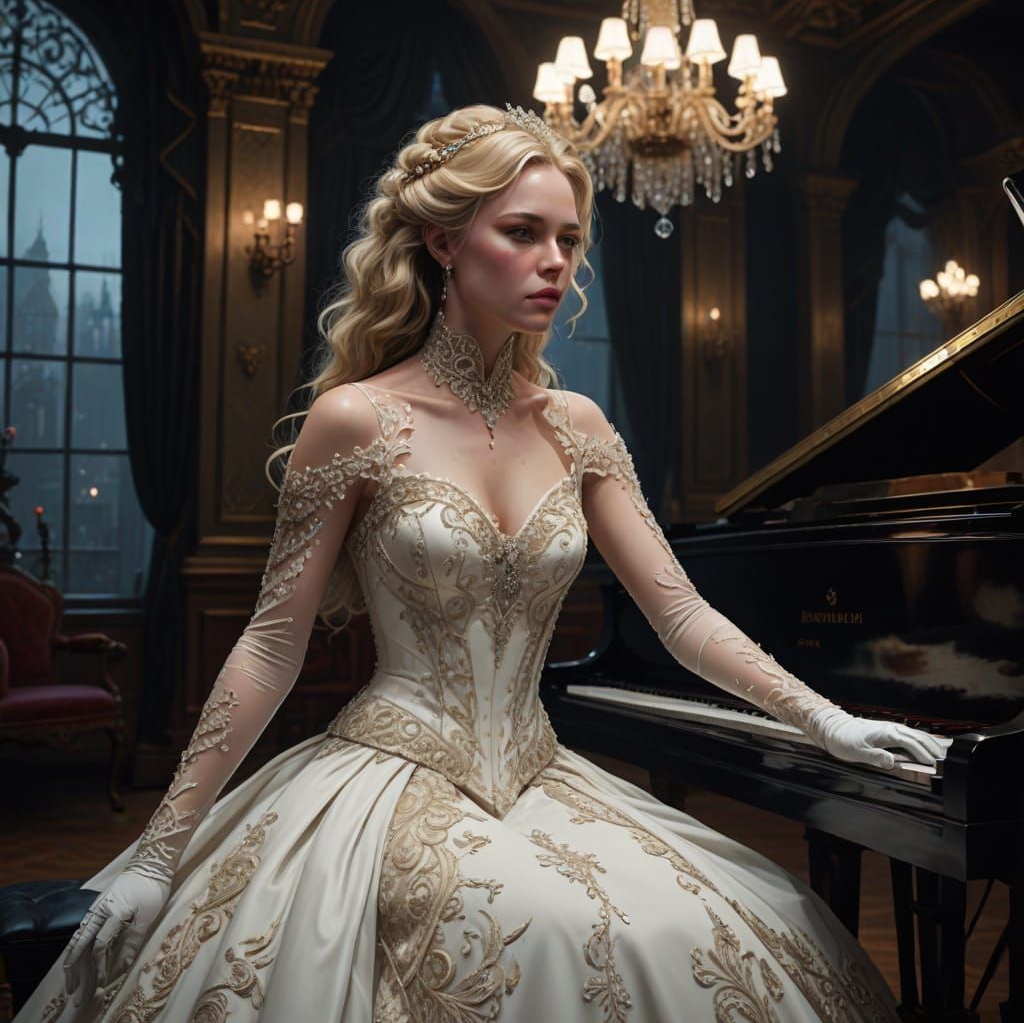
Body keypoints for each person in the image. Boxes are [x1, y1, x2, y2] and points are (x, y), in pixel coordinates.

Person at [17, 103, 944, 1023]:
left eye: (570, 240)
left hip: (540, 769)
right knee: (541, 925)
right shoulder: (357, 419)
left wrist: (827, 722)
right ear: (442, 243)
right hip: (390, 774)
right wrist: (154, 851)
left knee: (752, 917)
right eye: (523, 232)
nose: (555, 262)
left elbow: (681, 614)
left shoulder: (575, 426)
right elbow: (268, 647)